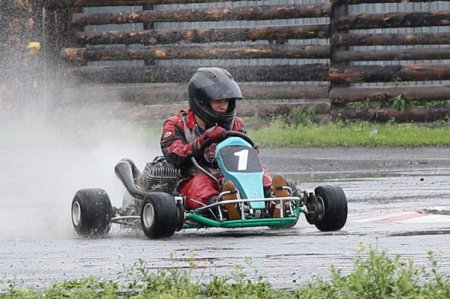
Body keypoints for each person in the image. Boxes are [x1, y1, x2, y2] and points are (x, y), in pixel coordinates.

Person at [160, 67, 273, 213]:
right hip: (190, 178)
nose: (224, 106)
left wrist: (250, 153)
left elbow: (242, 158)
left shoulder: (236, 124)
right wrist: (202, 141)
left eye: (226, 100)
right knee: (201, 183)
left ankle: (273, 199)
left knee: (260, 172)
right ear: (202, 101)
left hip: (230, 177)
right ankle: (223, 205)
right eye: (217, 100)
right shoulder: (176, 124)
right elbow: (173, 156)